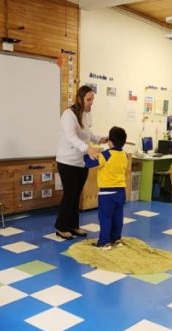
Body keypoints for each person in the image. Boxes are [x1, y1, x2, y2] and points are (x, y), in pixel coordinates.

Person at [54, 85, 106, 240]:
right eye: (89, 100)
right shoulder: (68, 115)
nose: (91, 103)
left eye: (92, 99)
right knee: (69, 194)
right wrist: (87, 148)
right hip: (67, 161)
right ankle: (61, 227)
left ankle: (73, 225)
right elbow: (71, 137)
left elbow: (87, 133)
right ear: (80, 99)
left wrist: (99, 139)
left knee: (76, 194)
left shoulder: (87, 114)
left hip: (81, 161)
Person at [84, 126, 129, 250]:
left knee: (105, 218)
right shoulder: (124, 155)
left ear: (110, 141)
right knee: (118, 217)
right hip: (121, 192)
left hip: (107, 193)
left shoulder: (106, 154)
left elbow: (89, 163)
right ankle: (116, 239)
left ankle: (104, 242)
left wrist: (87, 152)